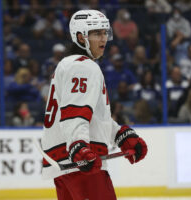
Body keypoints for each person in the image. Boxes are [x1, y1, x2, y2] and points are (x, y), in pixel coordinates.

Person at [40, 10, 147, 200]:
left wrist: (119, 135)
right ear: (81, 37)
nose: (103, 38)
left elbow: (90, 116)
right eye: (97, 33)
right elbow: (75, 113)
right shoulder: (83, 65)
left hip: (66, 164)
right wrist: (78, 147)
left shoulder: (70, 63)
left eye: (105, 33)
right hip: (80, 166)